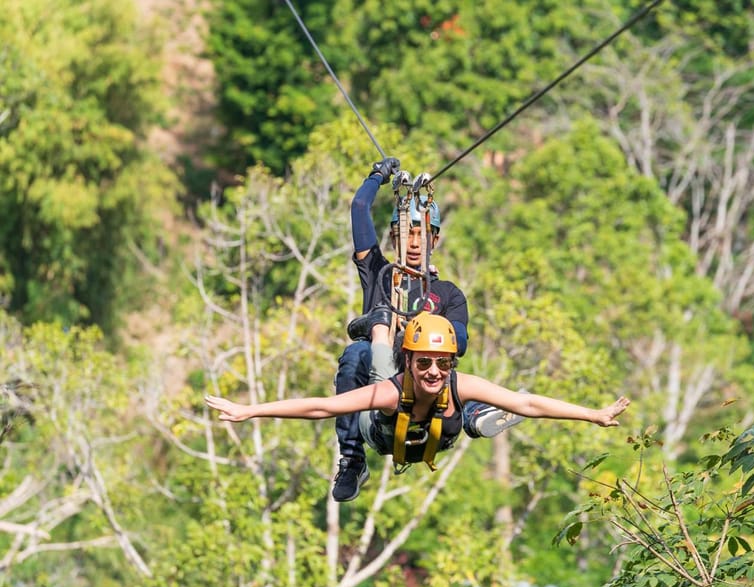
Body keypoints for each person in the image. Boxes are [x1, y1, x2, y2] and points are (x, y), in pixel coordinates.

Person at [206, 313, 630, 479]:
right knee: (372, 353)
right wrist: (250, 410)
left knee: (497, 398)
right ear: (409, 361)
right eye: (424, 363)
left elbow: (529, 403)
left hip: (439, 437)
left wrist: (593, 414)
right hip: (384, 435)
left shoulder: (454, 382)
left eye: (442, 364)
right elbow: (322, 407)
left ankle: (474, 418)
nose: (433, 372)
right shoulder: (390, 391)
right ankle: (379, 327)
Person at [333, 159, 517, 501]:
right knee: (356, 353)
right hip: (386, 393)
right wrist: (377, 177)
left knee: (438, 359)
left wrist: (411, 330)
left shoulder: (447, 293)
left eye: (421, 234)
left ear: (435, 239)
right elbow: (359, 208)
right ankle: (352, 460)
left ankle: (473, 414)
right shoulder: (380, 275)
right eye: (406, 233)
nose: (414, 242)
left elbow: (458, 343)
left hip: (430, 397)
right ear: (393, 237)